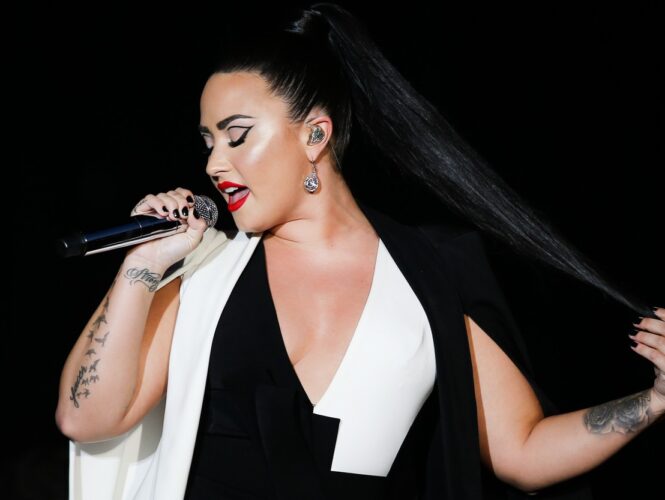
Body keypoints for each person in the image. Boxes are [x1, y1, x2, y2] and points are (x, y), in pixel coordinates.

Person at [55, 3, 664, 499]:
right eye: (208, 141)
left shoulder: (431, 272)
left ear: (315, 135)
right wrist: (143, 265)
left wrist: (655, 400)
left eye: (237, 136)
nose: (215, 163)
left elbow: (522, 452)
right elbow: (86, 419)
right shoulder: (207, 271)